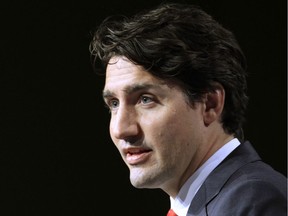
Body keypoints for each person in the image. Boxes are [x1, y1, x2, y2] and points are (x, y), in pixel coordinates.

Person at [89, 2, 287, 216]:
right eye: (114, 104)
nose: (121, 129)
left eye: (145, 99)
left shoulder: (254, 200)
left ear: (210, 104)